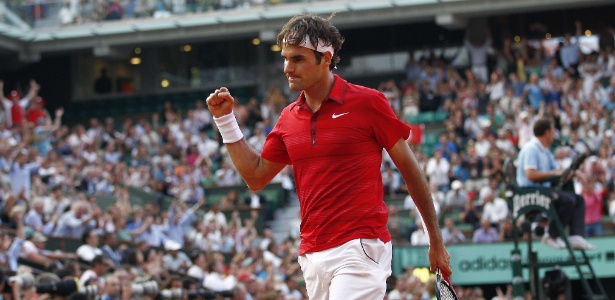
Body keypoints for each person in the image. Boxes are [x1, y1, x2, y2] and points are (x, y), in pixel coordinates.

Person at [206, 13, 450, 299]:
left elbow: (411, 171)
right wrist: (226, 121)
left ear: (325, 58)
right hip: (312, 256)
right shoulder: (287, 118)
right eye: (285, 58)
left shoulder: (368, 103)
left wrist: (435, 239)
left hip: (360, 247)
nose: (287, 68)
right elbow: (256, 176)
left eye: (298, 59)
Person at [516, 117, 595, 250]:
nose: (554, 135)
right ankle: (551, 235)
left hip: (543, 191)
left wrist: (574, 173)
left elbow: (559, 172)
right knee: (568, 200)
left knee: (579, 199)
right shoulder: (531, 148)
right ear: (547, 133)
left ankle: (576, 236)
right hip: (529, 193)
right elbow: (530, 174)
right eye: (553, 132)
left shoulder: (545, 151)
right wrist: (555, 174)